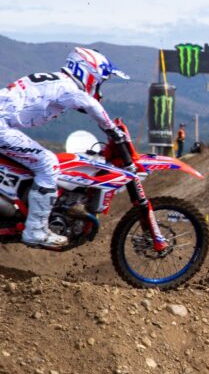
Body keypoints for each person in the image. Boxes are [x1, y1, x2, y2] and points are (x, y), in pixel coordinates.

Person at [0, 47, 128, 247]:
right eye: (99, 81)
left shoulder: (56, 81)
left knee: (34, 162)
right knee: (47, 163)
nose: (98, 88)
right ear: (87, 72)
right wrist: (113, 130)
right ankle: (35, 230)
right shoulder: (67, 86)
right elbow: (92, 105)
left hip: (3, 124)